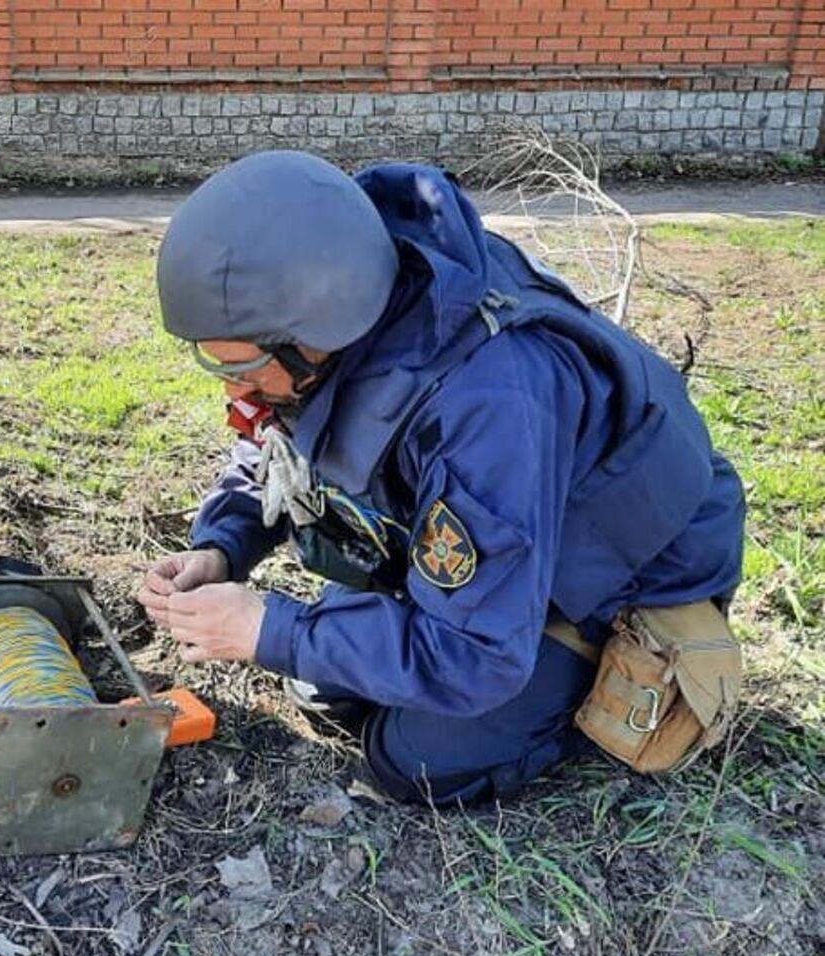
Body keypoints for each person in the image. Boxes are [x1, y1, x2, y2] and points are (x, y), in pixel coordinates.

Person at [137, 150, 745, 806]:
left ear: (311, 335)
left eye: (243, 368)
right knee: (321, 689)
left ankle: (577, 695)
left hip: (626, 575)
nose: (234, 389)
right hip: (521, 533)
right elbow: (277, 446)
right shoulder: (353, 307)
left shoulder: (485, 404)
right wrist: (222, 546)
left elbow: (477, 655)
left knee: (415, 760)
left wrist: (267, 629)